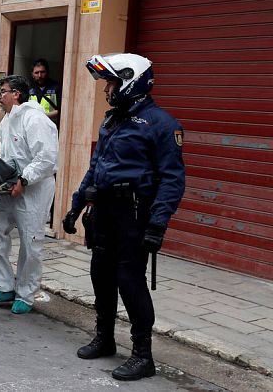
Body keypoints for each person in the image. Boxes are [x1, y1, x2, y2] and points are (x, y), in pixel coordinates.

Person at [62, 53, 185, 381]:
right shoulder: (111, 119)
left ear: (133, 81)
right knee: (100, 275)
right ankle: (104, 339)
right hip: (102, 212)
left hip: (133, 215)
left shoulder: (163, 124)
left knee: (130, 282)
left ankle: (143, 356)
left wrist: (158, 223)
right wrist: (75, 206)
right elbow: (96, 165)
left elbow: (173, 180)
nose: (107, 89)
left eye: (112, 82)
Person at [0, 75, 58, 314]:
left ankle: (25, 293)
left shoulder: (35, 120)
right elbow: (7, 157)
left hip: (33, 190)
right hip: (10, 187)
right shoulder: (6, 121)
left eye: (3, 91)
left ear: (17, 95)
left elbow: (46, 159)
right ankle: (2, 284)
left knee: (30, 242)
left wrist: (24, 180)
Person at [29, 58, 61, 126]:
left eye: (42, 72)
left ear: (47, 72)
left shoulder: (57, 88)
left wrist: (42, 116)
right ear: (32, 74)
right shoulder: (29, 89)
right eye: (36, 73)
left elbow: (62, 111)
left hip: (51, 129)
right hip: (33, 129)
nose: (40, 76)